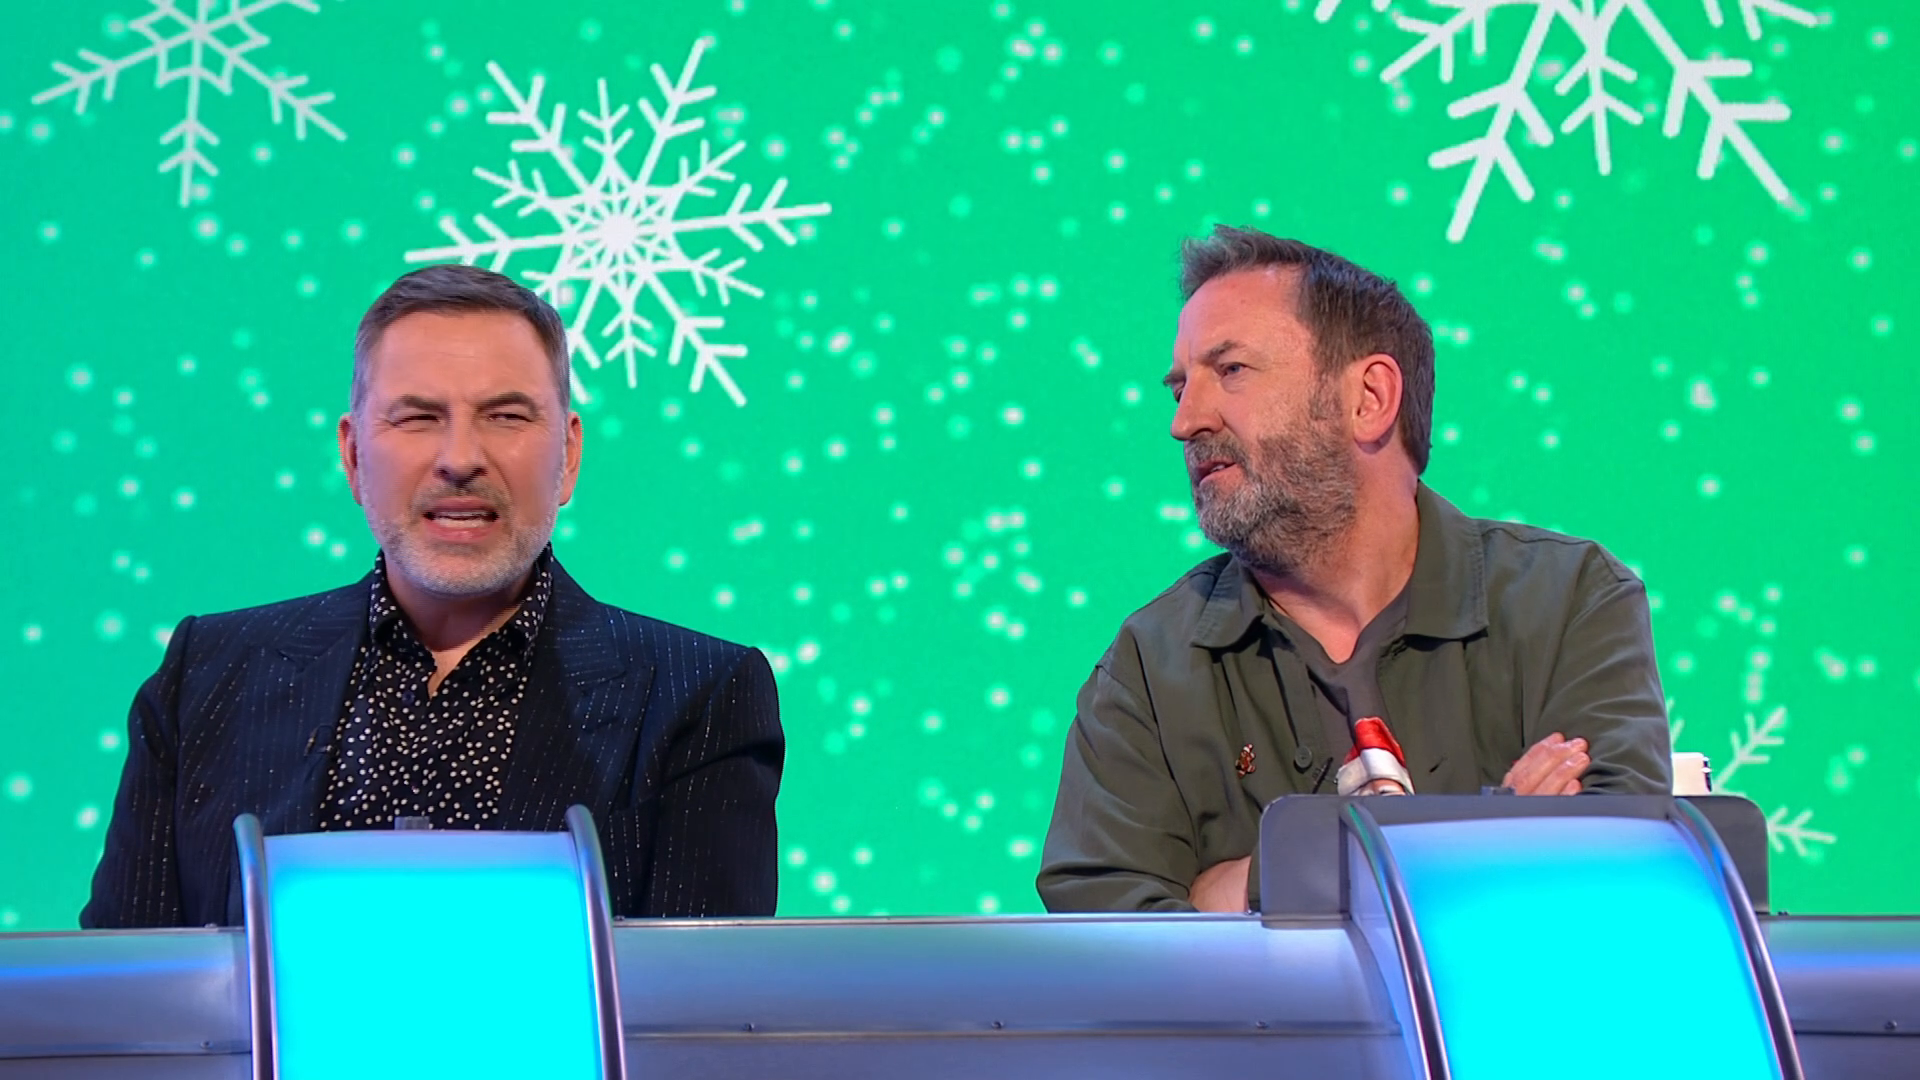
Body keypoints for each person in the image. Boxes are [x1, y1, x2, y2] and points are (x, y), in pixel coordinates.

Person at [82, 265, 783, 927]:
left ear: (568, 456)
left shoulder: (698, 697)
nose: (460, 458)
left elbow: (700, 1003)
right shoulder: (207, 677)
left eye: (506, 416)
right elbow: (126, 993)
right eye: (417, 417)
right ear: (353, 455)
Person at [1038, 227, 1670, 914]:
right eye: (1180, 388)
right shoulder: (1149, 670)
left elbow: (1611, 887)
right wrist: (1492, 842)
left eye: (1232, 371)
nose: (1185, 421)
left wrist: (1241, 887)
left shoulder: (1568, 602)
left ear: (1369, 398)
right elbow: (1107, 939)